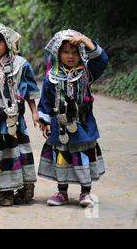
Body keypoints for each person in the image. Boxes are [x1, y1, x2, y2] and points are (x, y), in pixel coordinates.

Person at [37, 29, 109, 207]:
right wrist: (45, 122)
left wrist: (85, 39)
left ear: (81, 53)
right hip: (60, 125)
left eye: (75, 52)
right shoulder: (51, 77)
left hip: (82, 124)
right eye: (66, 52)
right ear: (57, 53)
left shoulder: (86, 73)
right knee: (62, 156)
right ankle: (62, 192)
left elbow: (102, 60)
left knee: (83, 156)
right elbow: (45, 101)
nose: (70, 56)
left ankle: (85, 192)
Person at [0, 23, 40, 206]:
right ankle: (5, 193)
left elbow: (29, 89)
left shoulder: (20, 64)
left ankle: (26, 186)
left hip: (16, 119)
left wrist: (34, 112)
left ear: (7, 42)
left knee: (21, 152)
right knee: (1, 154)